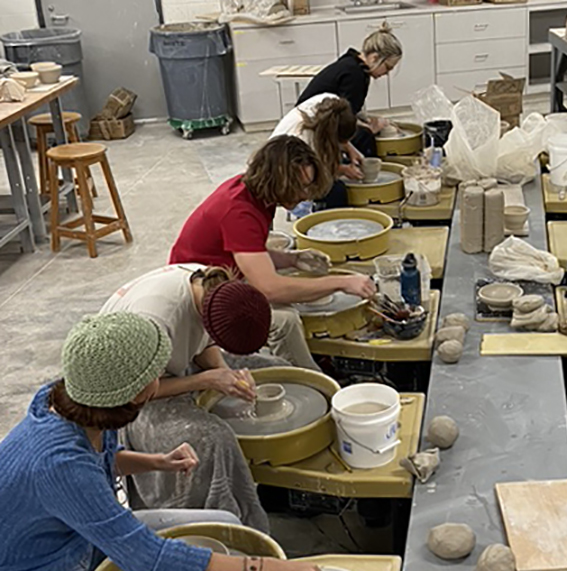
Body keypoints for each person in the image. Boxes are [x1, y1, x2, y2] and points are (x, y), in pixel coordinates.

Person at [0, 312, 326, 571]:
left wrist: (157, 462)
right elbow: (149, 559)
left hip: (78, 537)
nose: (161, 378)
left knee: (225, 521)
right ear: (128, 393)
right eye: (154, 373)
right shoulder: (58, 464)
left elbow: (96, 461)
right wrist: (267, 568)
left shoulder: (79, 402)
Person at [169, 135, 377, 370]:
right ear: (278, 179)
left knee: (291, 283)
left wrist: (293, 259)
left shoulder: (257, 193)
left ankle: (305, 361)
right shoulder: (240, 212)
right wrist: (341, 282)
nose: (306, 194)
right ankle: (314, 384)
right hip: (197, 298)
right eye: (301, 186)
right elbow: (269, 288)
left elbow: (247, 251)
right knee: (284, 320)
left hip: (221, 276)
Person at [101, 265, 280, 531]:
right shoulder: (154, 320)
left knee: (271, 367)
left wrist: (225, 372)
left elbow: (203, 342)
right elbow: (135, 392)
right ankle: (234, 526)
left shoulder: (209, 287)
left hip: (165, 365)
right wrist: (206, 380)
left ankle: (274, 490)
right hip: (125, 398)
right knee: (213, 438)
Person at [296, 22, 403, 157]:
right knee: (364, 136)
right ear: (374, 57)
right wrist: (372, 127)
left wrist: (371, 120)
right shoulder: (355, 74)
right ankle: (364, 172)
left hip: (318, 118)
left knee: (366, 128)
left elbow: (350, 110)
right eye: (387, 67)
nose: (387, 73)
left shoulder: (353, 63)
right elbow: (346, 120)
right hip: (309, 125)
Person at [272, 93, 362, 209]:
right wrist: (343, 170)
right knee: (335, 191)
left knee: (362, 138)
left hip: (303, 158)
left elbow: (338, 130)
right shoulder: (303, 139)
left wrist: (350, 149)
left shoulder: (333, 104)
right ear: (330, 136)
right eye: (340, 141)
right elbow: (313, 172)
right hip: (284, 174)